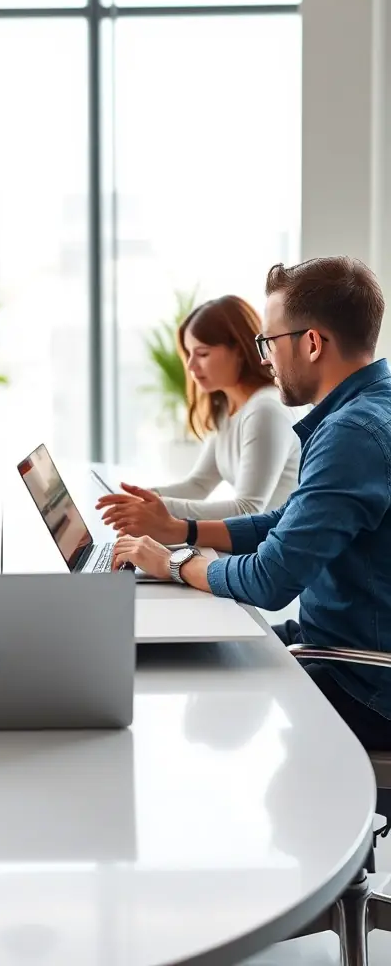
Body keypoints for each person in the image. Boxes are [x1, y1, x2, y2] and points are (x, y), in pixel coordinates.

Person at [112, 256, 391, 749]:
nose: (265, 358)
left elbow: (269, 579)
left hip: (363, 680)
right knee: (202, 650)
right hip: (343, 647)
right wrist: (187, 533)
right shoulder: (368, 408)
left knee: (191, 687)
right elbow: (289, 518)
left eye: (270, 342)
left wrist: (175, 564)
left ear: (311, 343)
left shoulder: (352, 433)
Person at [97, 294, 300, 535]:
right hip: (253, 544)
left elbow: (248, 509)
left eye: (202, 354)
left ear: (240, 350)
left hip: (274, 550)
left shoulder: (266, 410)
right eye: (189, 354)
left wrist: (155, 509)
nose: (191, 367)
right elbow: (198, 485)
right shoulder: (228, 407)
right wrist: (138, 497)